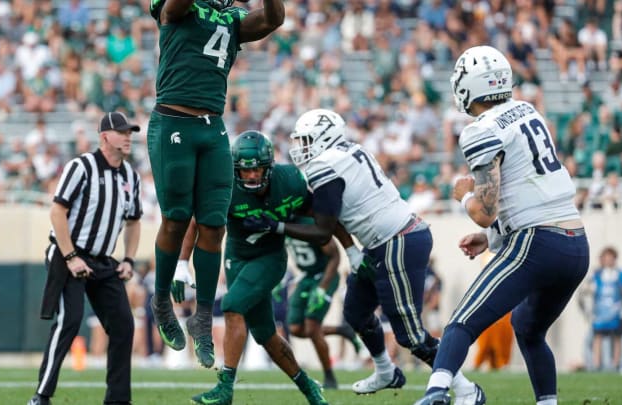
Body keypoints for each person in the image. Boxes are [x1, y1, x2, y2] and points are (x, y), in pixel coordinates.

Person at [244, 108, 481, 403]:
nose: (300, 147)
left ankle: (466, 390)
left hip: (398, 241)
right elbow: (334, 211)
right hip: (385, 241)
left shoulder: (324, 165)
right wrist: (353, 250)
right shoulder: (351, 151)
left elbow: (321, 230)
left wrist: (275, 225)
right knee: (356, 310)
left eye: (305, 140)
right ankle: (385, 371)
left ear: (324, 138)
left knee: (411, 336)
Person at [414, 45, 590, 405]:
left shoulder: (482, 129)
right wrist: (491, 239)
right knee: (527, 326)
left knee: (461, 322)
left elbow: (486, 210)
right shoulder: (528, 111)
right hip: (575, 243)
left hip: (538, 242)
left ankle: (435, 394)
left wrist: (463, 196)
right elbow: (527, 194)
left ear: (469, 86)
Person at [146, 0, 285, 369]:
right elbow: (173, 9)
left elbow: (273, 19)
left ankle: (203, 317)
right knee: (176, 218)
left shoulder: (231, 16)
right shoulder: (177, 7)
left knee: (214, 222)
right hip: (173, 120)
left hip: (213, 126)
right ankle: (161, 300)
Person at [191, 130, 328, 405]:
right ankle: (309, 389)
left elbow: (323, 219)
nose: (252, 176)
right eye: (245, 171)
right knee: (265, 334)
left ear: (269, 167)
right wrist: (183, 262)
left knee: (231, 305)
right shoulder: (223, 185)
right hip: (236, 256)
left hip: (270, 256)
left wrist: (280, 226)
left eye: (258, 170)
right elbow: (197, 223)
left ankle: (225, 387)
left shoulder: (290, 181)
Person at [28, 112, 143, 405]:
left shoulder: (131, 176)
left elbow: (133, 221)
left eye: (130, 132)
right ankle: (41, 395)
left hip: (104, 261)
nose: (128, 137)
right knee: (70, 320)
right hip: (68, 255)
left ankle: (118, 400)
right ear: (104, 136)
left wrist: (128, 259)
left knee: (123, 324)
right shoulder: (82, 167)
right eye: (122, 132)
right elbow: (57, 211)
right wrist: (70, 256)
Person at [284, 221, 362, 389]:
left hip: (325, 275)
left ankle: (329, 376)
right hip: (305, 277)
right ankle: (341, 330)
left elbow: (334, 256)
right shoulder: (283, 222)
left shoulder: (311, 224)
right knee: (296, 329)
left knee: (312, 327)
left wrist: (322, 288)